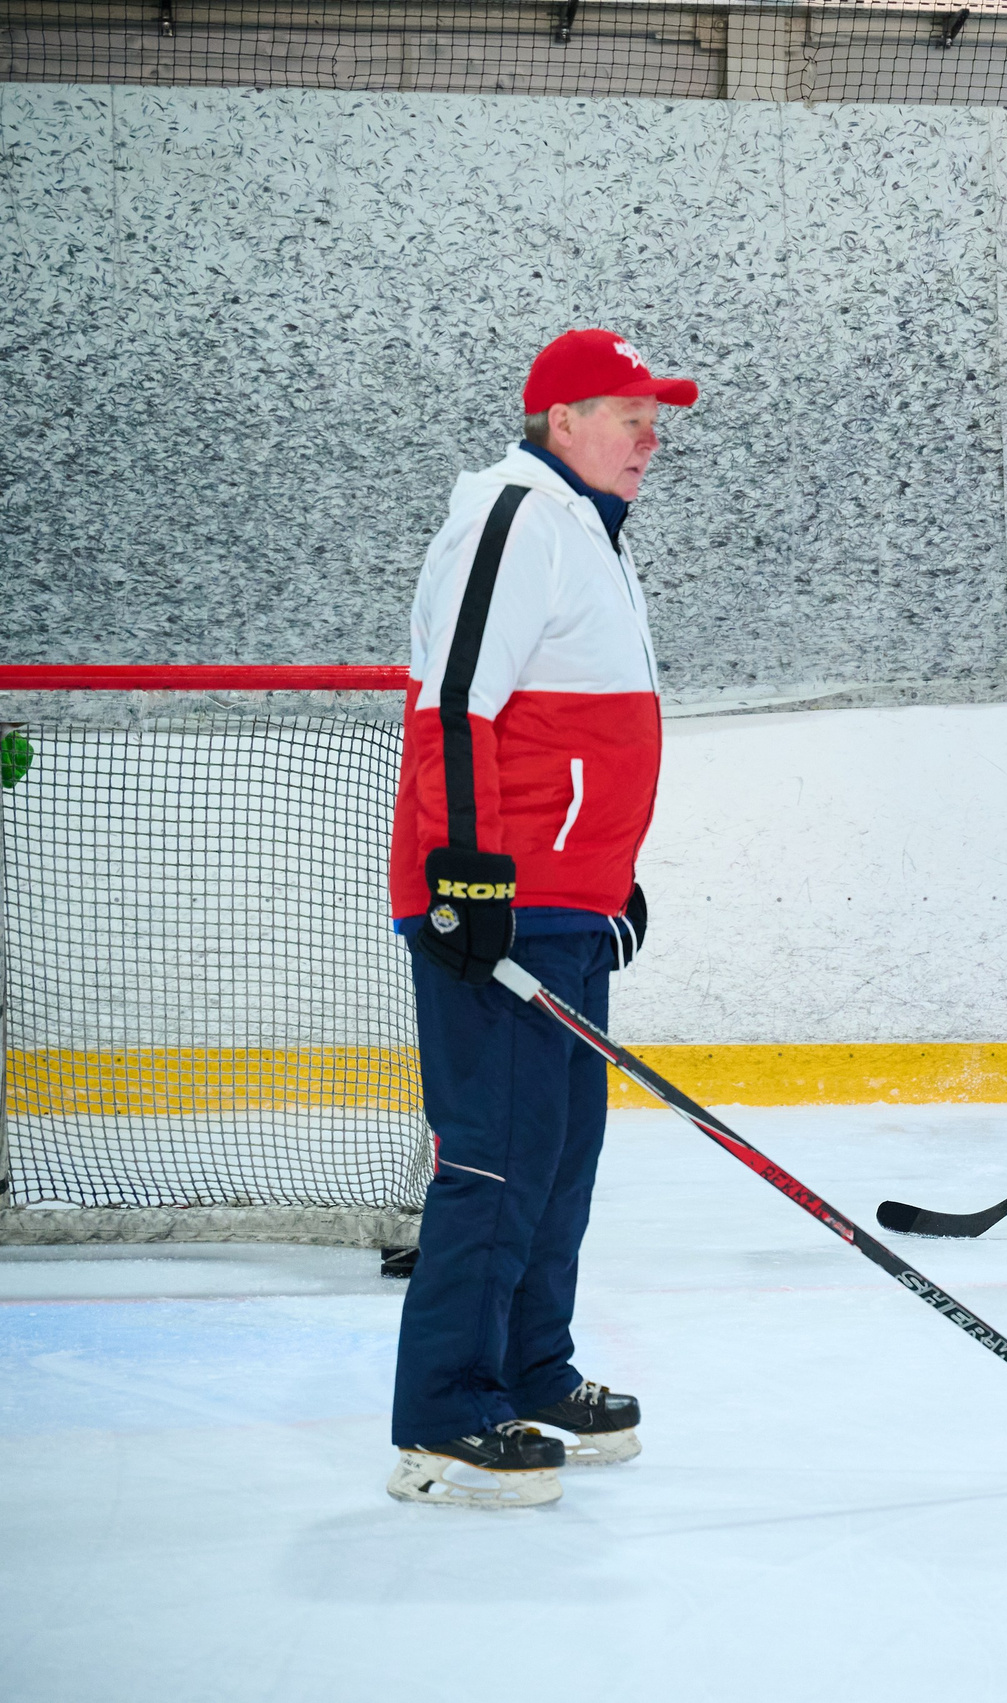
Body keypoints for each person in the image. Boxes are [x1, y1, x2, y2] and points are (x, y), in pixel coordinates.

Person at [383, 329, 695, 1507]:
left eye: (654, 417)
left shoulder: (587, 533)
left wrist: (605, 874)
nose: (649, 437)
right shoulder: (513, 515)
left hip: (562, 899)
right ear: (561, 418)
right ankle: (446, 1412)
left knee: (560, 1153)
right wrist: (469, 874)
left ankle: (527, 1366)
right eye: (628, 413)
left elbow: (579, 736)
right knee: (493, 1157)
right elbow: (456, 701)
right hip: (492, 902)